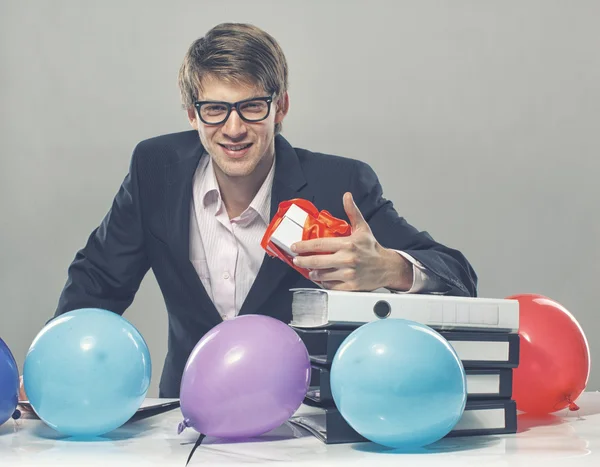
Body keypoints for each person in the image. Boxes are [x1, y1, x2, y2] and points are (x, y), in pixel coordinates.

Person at [36, 23, 477, 398]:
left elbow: (458, 277)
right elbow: (97, 282)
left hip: (301, 422)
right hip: (189, 416)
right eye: (214, 110)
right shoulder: (155, 170)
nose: (233, 128)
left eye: (251, 106)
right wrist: (52, 372)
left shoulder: (338, 184)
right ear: (192, 113)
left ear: (280, 106)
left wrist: (388, 268)